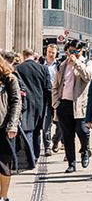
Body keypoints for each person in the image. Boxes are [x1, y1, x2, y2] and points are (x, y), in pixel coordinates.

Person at [52, 41, 91, 173]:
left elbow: (87, 76)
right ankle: (71, 163)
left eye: (76, 51)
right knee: (68, 136)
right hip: (64, 104)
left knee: (83, 131)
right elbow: (56, 85)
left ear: (81, 51)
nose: (73, 54)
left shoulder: (86, 63)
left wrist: (76, 63)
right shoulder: (62, 65)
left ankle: (85, 150)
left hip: (79, 105)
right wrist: (56, 102)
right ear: (67, 51)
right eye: (71, 51)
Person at [15, 49, 48, 169]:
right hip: (40, 104)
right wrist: (49, 106)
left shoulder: (18, 68)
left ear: (23, 56)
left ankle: (30, 159)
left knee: (27, 130)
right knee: (37, 131)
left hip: (25, 104)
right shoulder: (43, 68)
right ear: (34, 56)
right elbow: (48, 88)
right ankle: (36, 156)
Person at [0, 54, 21, 200]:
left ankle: (4, 196)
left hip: (3, 127)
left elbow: (16, 101)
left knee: (3, 163)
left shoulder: (9, 78)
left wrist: (12, 125)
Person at [42, 44, 58, 157]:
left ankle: (56, 140)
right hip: (45, 97)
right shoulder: (41, 66)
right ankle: (47, 146)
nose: (51, 54)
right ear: (46, 52)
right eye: (49, 52)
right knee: (46, 124)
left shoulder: (59, 66)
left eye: (53, 52)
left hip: (57, 97)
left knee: (61, 124)